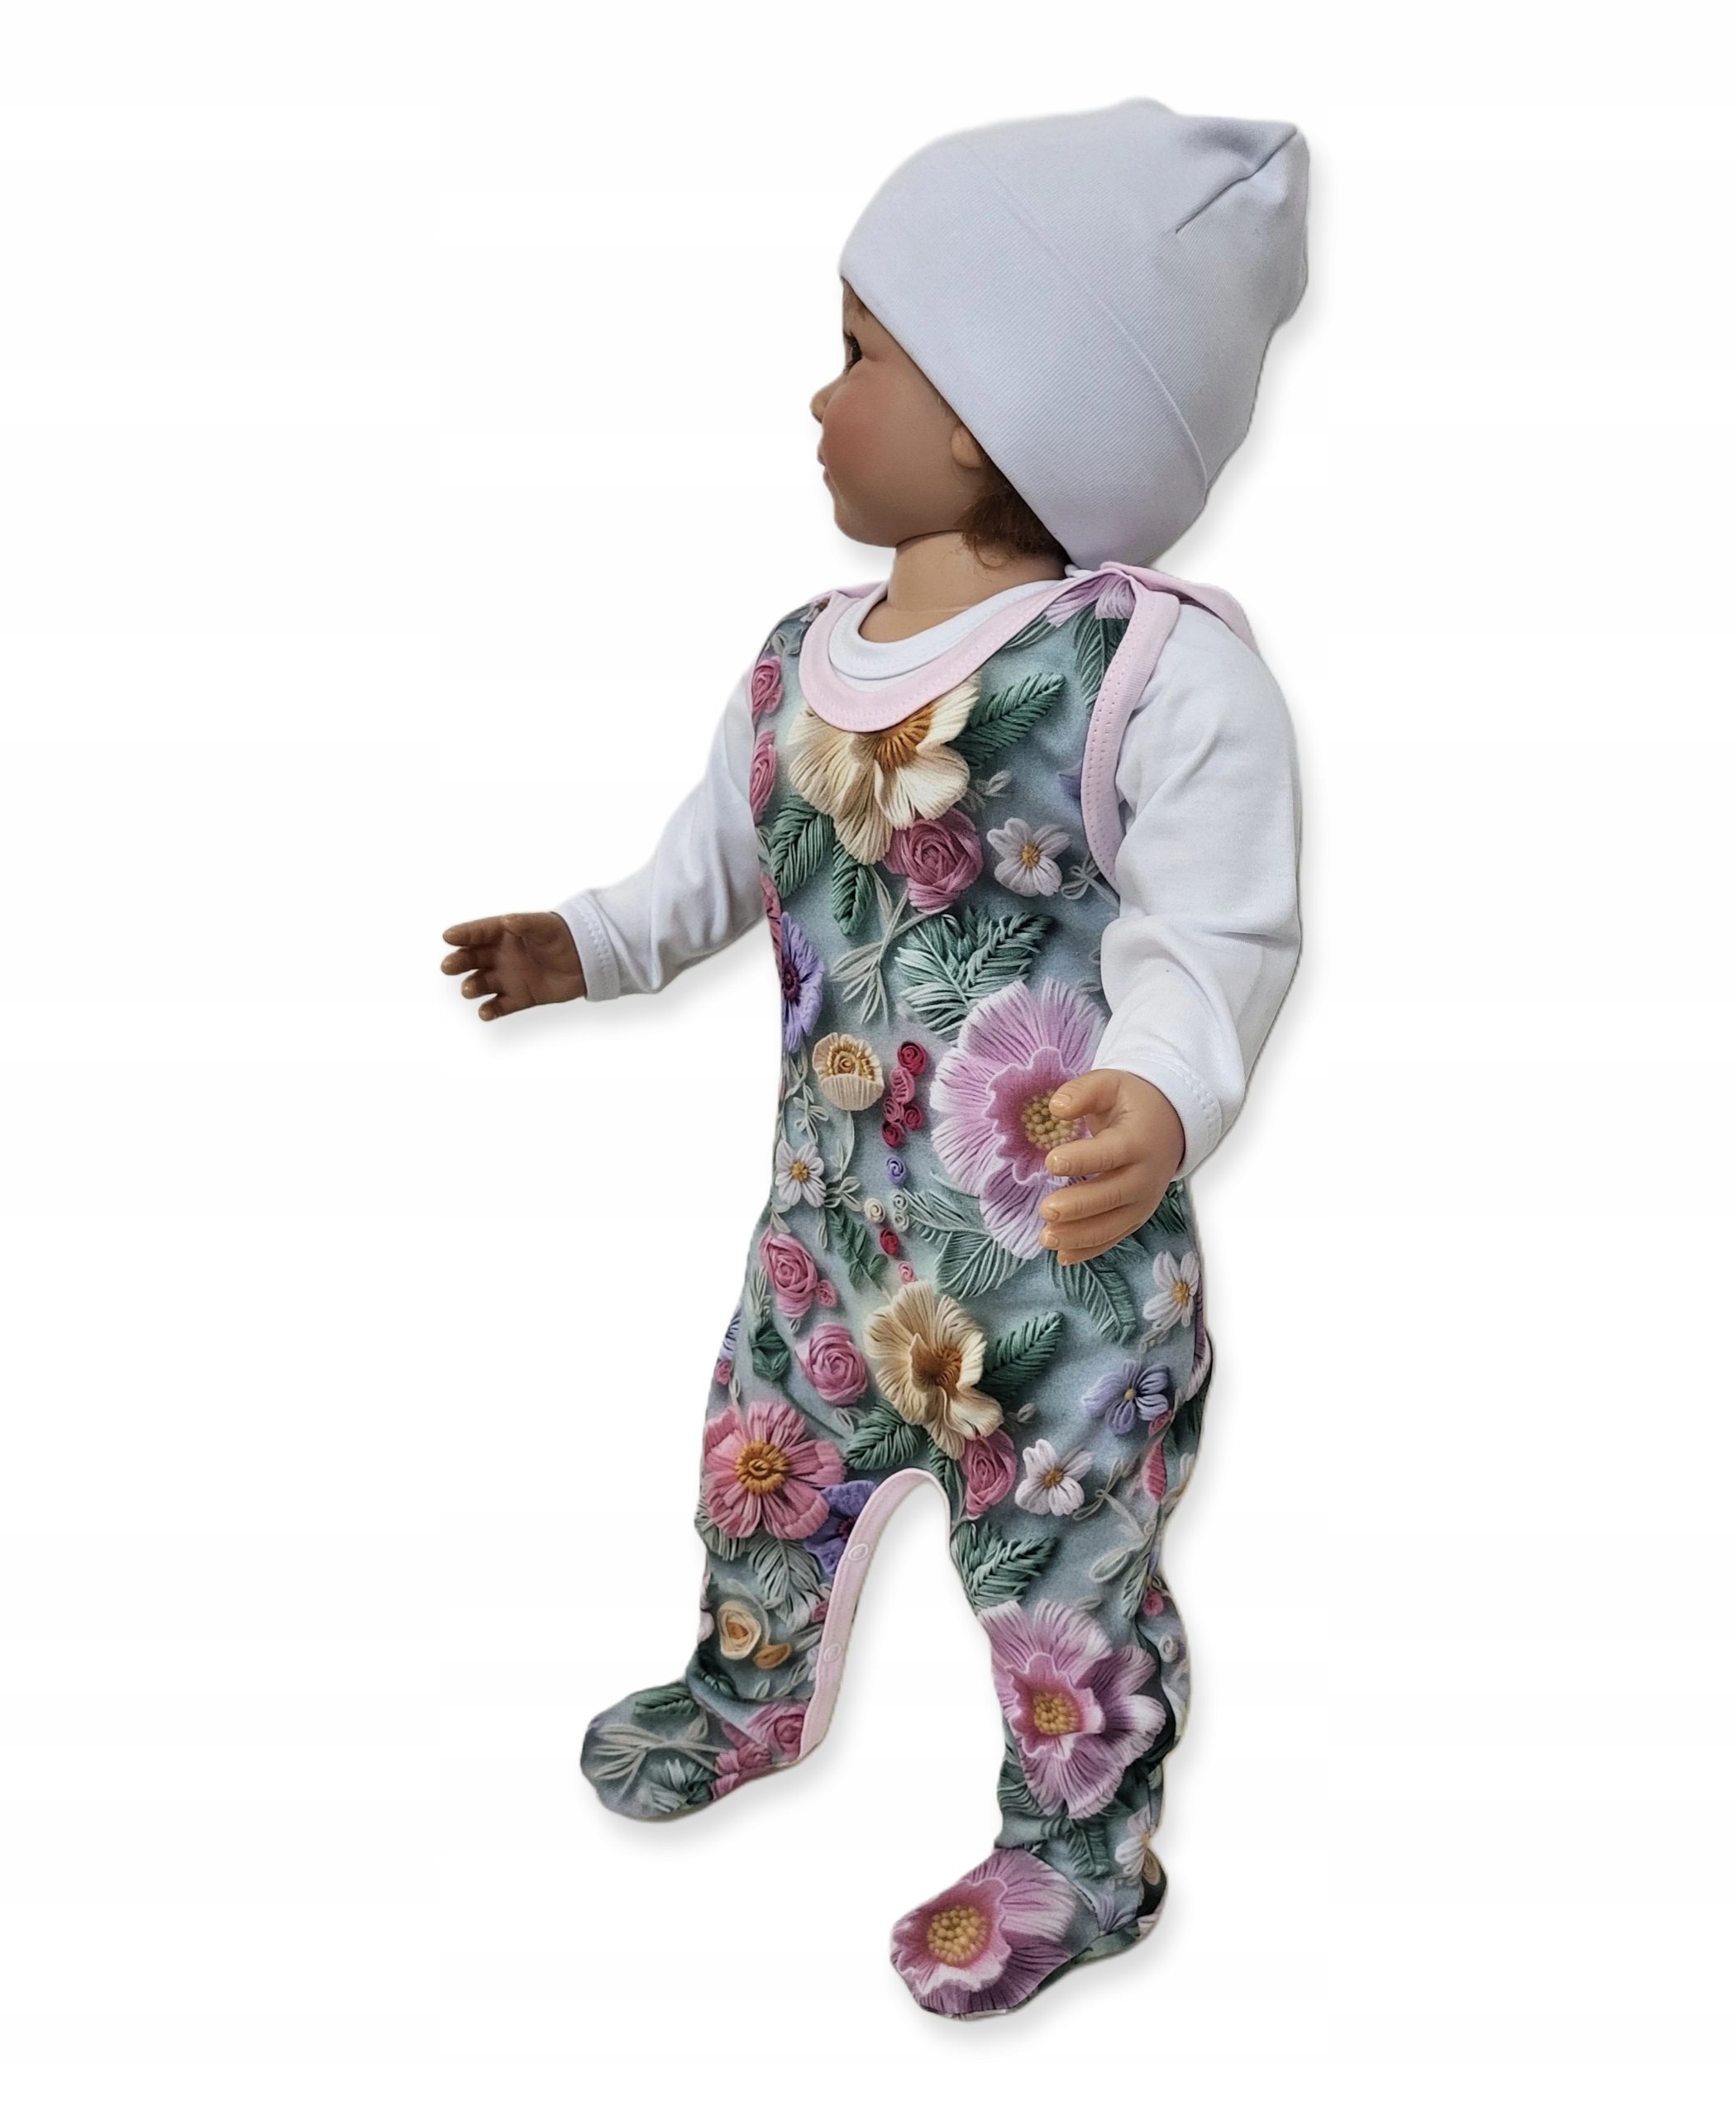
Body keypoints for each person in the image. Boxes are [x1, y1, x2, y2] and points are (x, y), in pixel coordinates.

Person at [441, 98, 1307, 2018]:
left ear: (1001, 404)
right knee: (756, 1474)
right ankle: (748, 1684)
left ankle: (1080, 1852)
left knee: (1065, 1580)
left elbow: (1216, 928)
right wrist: (587, 941)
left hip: (1058, 1286)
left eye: (859, 354)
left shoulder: (1147, 670)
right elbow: (718, 864)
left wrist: (1165, 1090)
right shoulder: (795, 661)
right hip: (825, 1246)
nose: (820, 401)